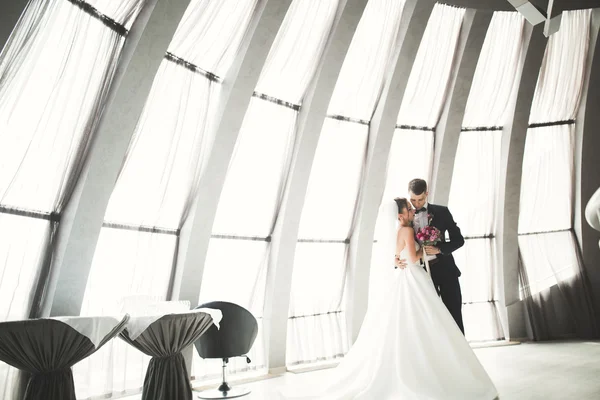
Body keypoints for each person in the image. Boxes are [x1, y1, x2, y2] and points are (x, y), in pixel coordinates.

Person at [277, 198, 497, 399]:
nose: (413, 209)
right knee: (427, 321)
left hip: (407, 277)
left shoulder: (401, 230)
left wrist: (404, 254)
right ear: (401, 215)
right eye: (409, 208)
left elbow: (399, 254)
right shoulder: (408, 231)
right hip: (413, 278)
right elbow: (411, 257)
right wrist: (428, 249)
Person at [408, 178, 465, 333]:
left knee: (454, 314)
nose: (417, 204)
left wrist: (440, 249)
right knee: (430, 318)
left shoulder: (442, 212)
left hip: (446, 270)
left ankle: (460, 355)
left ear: (427, 194)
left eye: (420, 199)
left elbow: (459, 240)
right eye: (413, 200)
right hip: (423, 274)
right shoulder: (406, 218)